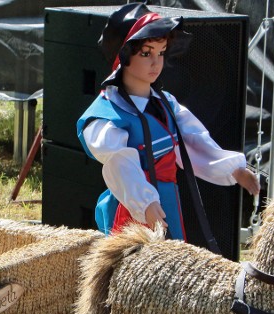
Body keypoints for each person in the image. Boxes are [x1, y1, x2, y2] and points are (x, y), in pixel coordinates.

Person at [77, 3, 260, 238]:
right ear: (123, 56)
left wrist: (234, 169)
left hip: (167, 202)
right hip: (131, 210)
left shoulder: (167, 104)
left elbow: (195, 141)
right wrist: (145, 203)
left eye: (161, 52)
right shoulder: (108, 114)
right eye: (146, 53)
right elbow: (118, 161)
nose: (156, 62)